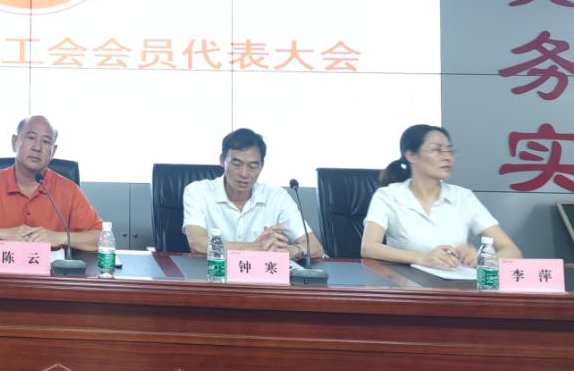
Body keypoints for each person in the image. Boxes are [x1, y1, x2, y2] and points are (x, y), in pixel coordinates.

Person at [361, 124, 521, 267]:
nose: (447, 157)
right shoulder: (388, 195)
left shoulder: (463, 197)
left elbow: (512, 251)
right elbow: (368, 247)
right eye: (436, 150)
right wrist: (422, 258)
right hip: (405, 285)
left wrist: (482, 259)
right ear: (411, 156)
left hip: (456, 285)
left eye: (450, 151)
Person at [0, 115, 103, 250]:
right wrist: (3, 234)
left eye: (46, 141)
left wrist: (59, 237)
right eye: (30, 137)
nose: (37, 147)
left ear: (53, 151)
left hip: (50, 273)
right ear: (15, 142)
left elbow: (102, 238)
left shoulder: (68, 190)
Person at [183, 127, 323, 260]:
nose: (244, 173)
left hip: (262, 275)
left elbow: (315, 247)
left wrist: (291, 251)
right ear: (222, 160)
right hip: (213, 272)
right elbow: (197, 243)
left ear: (262, 166)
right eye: (236, 164)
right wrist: (257, 247)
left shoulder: (277, 197)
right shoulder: (198, 191)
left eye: (252, 166)